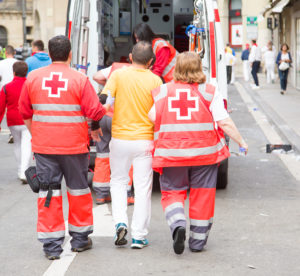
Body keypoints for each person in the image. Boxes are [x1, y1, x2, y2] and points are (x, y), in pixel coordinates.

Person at [149, 52, 248, 255]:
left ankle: (177, 223)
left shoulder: (163, 91)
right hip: (204, 155)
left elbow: (152, 117)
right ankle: (197, 242)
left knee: (172, 192)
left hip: (171, 154)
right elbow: (224, 121)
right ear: (199, 67)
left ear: (177, 68)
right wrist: (241, 141)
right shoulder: (210, 91)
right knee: (202, 196)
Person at [19, 35, 106, 260]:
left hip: (45, 146)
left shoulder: (33, 78)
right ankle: (79, 239)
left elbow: (24, 111)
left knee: (48, 193)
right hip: (74, 147)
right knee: (78, 191)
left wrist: (37, 132)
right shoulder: (79, 79)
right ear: (70, 54)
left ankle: (51, 246)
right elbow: (95, 111)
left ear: (49, 54)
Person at [102, 41, 162, 249]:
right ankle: (139, 235)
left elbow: (105, 101)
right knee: (143, 188)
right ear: (151, 61)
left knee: (118, 182)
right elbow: (159, 112)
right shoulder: (156, 80)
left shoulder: (118, 75)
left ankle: (120, 222)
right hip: (144, 140)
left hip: (119, 139)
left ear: (129, 57)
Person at [92, 92, 134, 205]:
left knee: (102, 156)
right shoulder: (127, 84)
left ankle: (101, 195)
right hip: (117, 119)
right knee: (125, 157)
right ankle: (126, 195)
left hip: (102, 118)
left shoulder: (108, 86)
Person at [0, 61, 32, 183]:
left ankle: (20, 169)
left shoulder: (6, 87)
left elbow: (1, 107)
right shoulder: (30, 85)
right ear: (26, 72)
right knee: (26, 145)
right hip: (27, 119)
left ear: (13, 72)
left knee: (17, 144)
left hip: (13, 120)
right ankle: (24, 172)